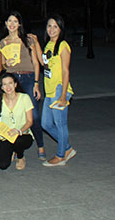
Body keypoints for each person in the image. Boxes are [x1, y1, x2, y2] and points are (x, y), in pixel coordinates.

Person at [0, 11, 45, 159]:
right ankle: (14, 144)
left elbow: (36, 63)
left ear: (19, 24)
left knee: (35, 116)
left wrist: (36, 83)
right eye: (9, 21)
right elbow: (2, 64)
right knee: (12, 112)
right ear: (6, 23)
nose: (12, 24)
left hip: (28, 76)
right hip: (12, 79)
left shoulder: (28, 39)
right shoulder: (3, 42)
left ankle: (40, 145)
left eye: (15, 21)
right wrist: (7, 63)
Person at [33, 15, 77, 167]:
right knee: (46, 123)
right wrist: (36, 43)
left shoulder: (63, 45)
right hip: (50, 91)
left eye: (55, 26)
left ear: (61, 29)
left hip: (59, 89)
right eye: (49, 26)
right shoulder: (48, 45)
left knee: (60, 123)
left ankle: (61, 156)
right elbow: (43, 62)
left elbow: (65, 71)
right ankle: (67, 148)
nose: (51, 29)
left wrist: (64, 95)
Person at [0, 73, 34, 170]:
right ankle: (11, 150)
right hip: (5, 135)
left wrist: (19, 131)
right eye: (4, 84)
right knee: (2, 165)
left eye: (10, 83)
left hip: (22, 134)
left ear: (15, 84)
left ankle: (20, 156)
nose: (8, 87)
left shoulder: (24, 98)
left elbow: (30, 121)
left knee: (18, 141)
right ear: (1, 87)